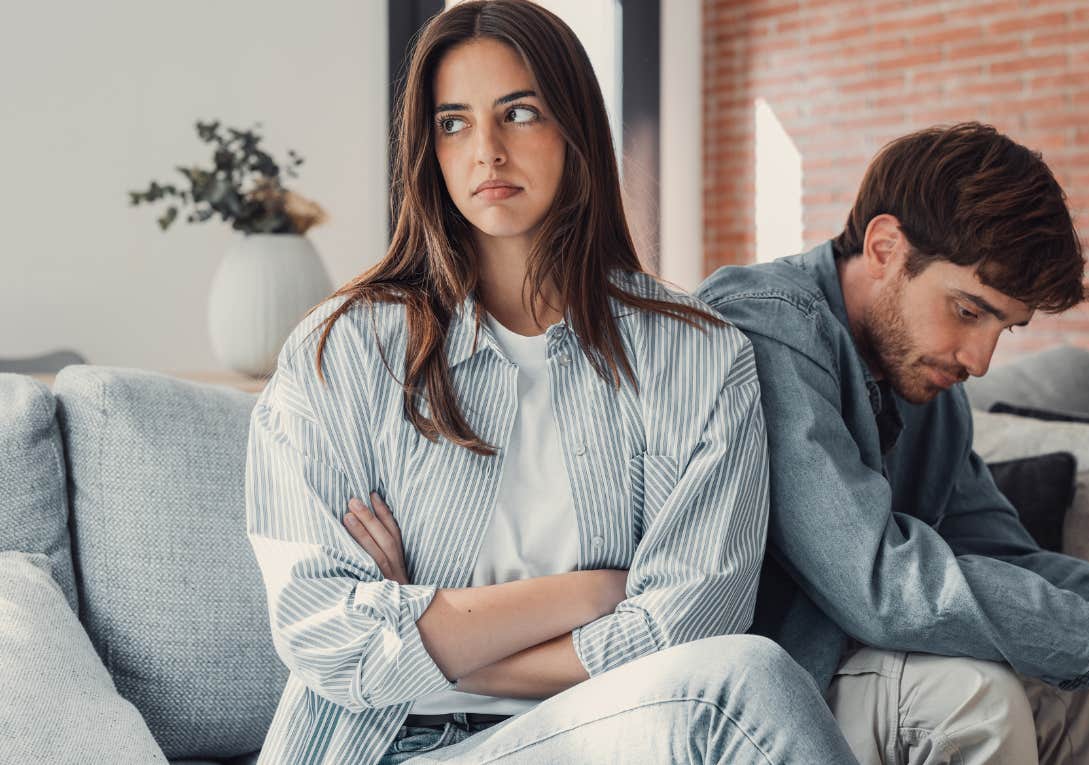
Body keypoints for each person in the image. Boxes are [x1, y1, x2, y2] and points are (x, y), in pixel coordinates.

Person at [244, 2, 858, 763]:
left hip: (599, 733)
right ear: (426, 148)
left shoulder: (697, 355)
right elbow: (327, 637)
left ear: (575, 129)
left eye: (520, 113)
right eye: (454, 122)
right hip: (384, 747)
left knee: (744, 678)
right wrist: (596, 591)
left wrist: (429, 629)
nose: (487, 151)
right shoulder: (341, 353)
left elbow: (687, 630)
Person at [696, 122, 1089, 765]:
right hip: (759, 692)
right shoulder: (766, 324)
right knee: (974, 697)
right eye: (968, 310)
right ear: (884, 247)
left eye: (1005, 328)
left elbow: (1007, 556)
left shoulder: (932, 393)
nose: (981, 360)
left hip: (858, 665)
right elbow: (878, 583)